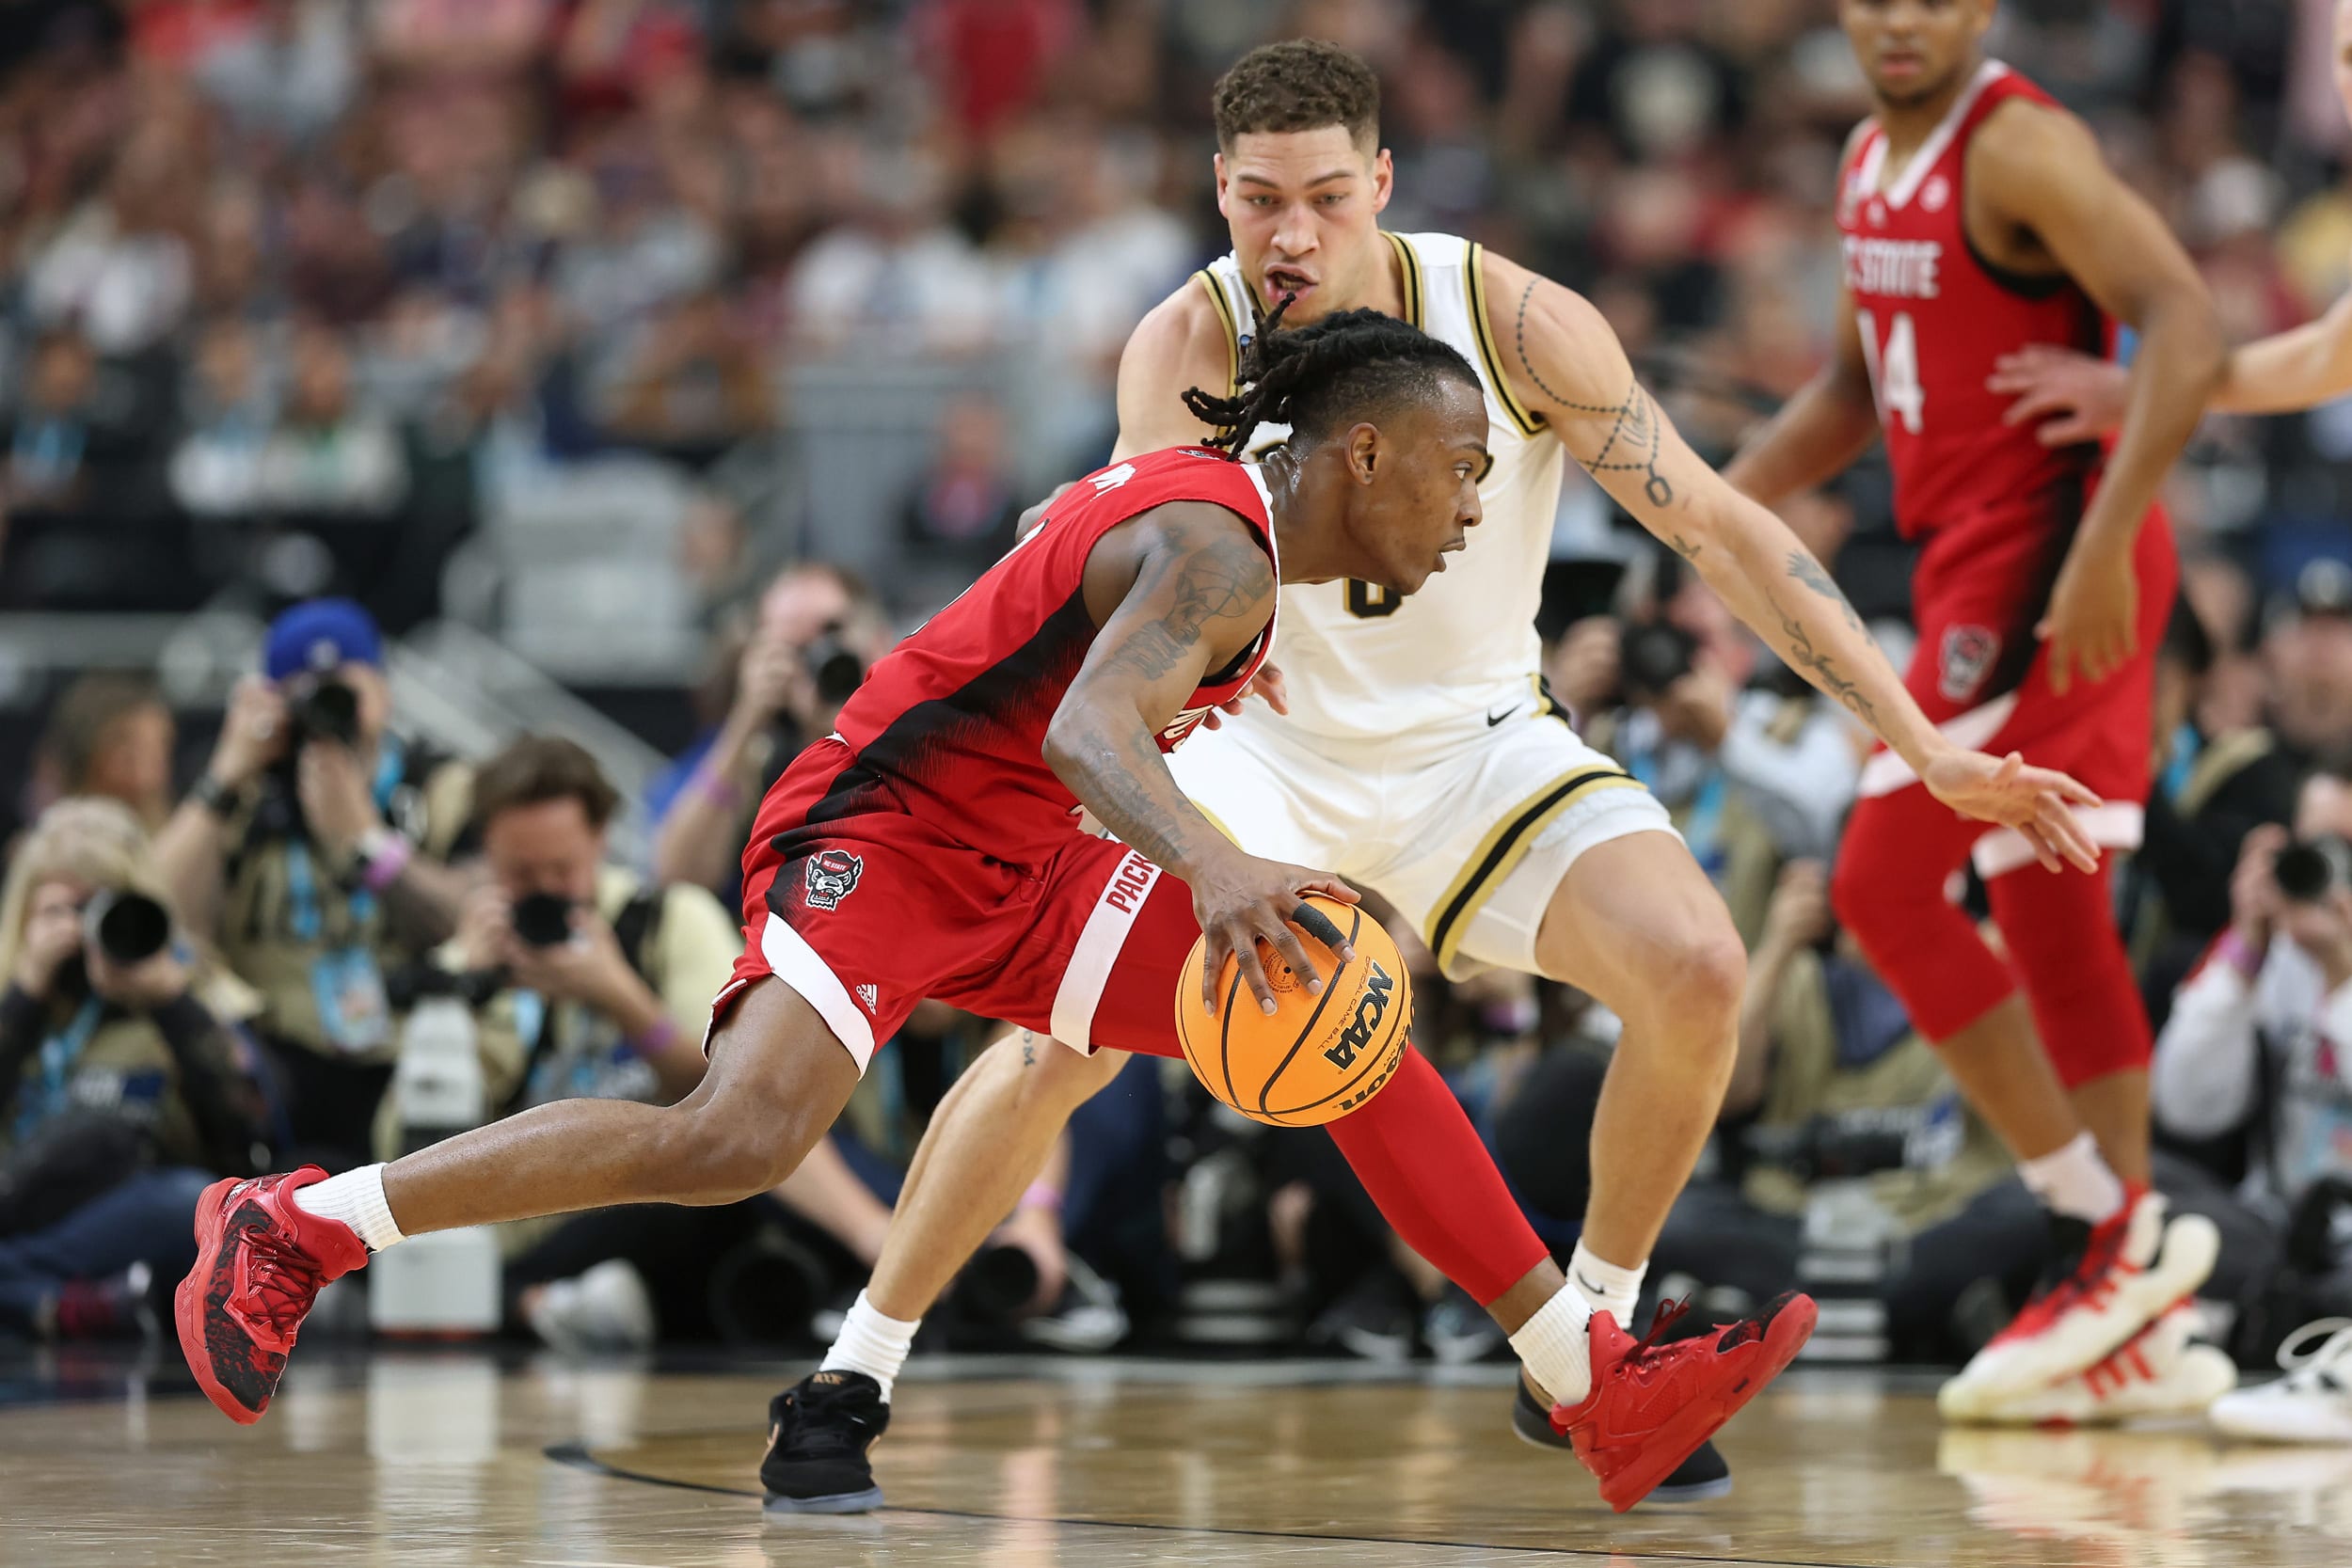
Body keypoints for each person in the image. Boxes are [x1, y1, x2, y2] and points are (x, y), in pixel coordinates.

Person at [180, 309, 2027, 1518]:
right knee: (733, 1132)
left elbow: (1087, 750)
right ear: (1368, 455)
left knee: (1339, 1019)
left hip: (1034, 852)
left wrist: (1234, 883)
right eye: (1462, 472)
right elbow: (1081, 726)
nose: (1476, 512)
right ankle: (295, 1222)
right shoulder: (1223, 544)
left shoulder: (1263, 542)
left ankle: (1585, 1380)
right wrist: (1219, 866)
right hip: (888, 826)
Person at [772, 39, 2102, 1514]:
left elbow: (1722, 530)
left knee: (1699, 963)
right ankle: (852, 1374)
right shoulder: (1187, 344)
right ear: (1217, 191)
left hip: (1476, 742)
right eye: (1260, 200)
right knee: (1052, 1049)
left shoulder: (1516, 320)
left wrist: (1917, 737)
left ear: (1384, 185)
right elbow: (1130, 572)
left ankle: (1585, 1351)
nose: (1291, 233)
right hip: (1253, 754)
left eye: (1327, 197)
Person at [1719, 0, 2230, 1422]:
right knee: (2056, 912)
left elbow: (2189, 317)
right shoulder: (1868, 163)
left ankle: (2106, 1235)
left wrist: (2108, 524)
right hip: (1974, 558)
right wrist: (1705, 504)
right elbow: (1845, 389)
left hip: (2048, 554)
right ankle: (2124, 1307)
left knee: (1884, 877)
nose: (1900, 17)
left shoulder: (2015, 146)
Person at [151, 598, 474, 1171]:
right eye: (311, 694)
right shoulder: (245, 796)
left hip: (410, 1053)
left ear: (385, 691)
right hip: (281, 1061)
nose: (332, 712)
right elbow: (156, 915)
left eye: (346, 691)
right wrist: (225, 775)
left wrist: (368, 844)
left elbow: (470, 921)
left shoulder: (438, 786)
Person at [0, 799, 269, 1340]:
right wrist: (26, 997)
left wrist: (171, 1003)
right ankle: (59, 1300)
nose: (79, 932)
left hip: (132, 1218)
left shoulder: (192, 999)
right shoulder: (12, 1005)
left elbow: (253, 1143)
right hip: (23, 1208)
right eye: (58, 912)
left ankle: (30, 1292)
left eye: (99, 910)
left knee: (191, 1203)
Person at [30, 673, 178, 832]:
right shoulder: (59, 839)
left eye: (161, 747)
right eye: (130, 750)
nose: (154, 765)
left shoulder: (166, 825)